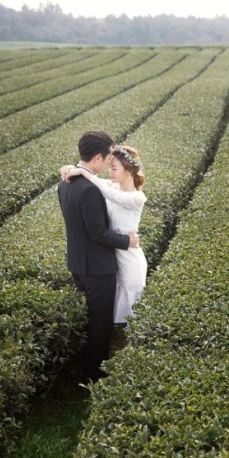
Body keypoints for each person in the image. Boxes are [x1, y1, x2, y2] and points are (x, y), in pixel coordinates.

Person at [58, 131, 139, 382]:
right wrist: (128, 241)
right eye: (106, 160)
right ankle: (94, 375)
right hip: (98, 267)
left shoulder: (65, 181)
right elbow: (97, 233)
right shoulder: (90, 189)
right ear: (97, 157)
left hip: (77, 262)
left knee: (87, 317)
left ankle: (82, 367)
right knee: (99, 323)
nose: (107, 165)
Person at [61, 144, 147, 326]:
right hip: (112, 253)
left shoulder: (137, 197)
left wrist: (84, 173)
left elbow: (103, 190)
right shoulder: (112, 186)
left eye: (114, 168)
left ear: (129, 171)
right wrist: (71, 168)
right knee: (113, 307)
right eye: (109, 167)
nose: (110, 172)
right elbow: (101, 186)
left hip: (129, 256)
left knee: (131, 306)